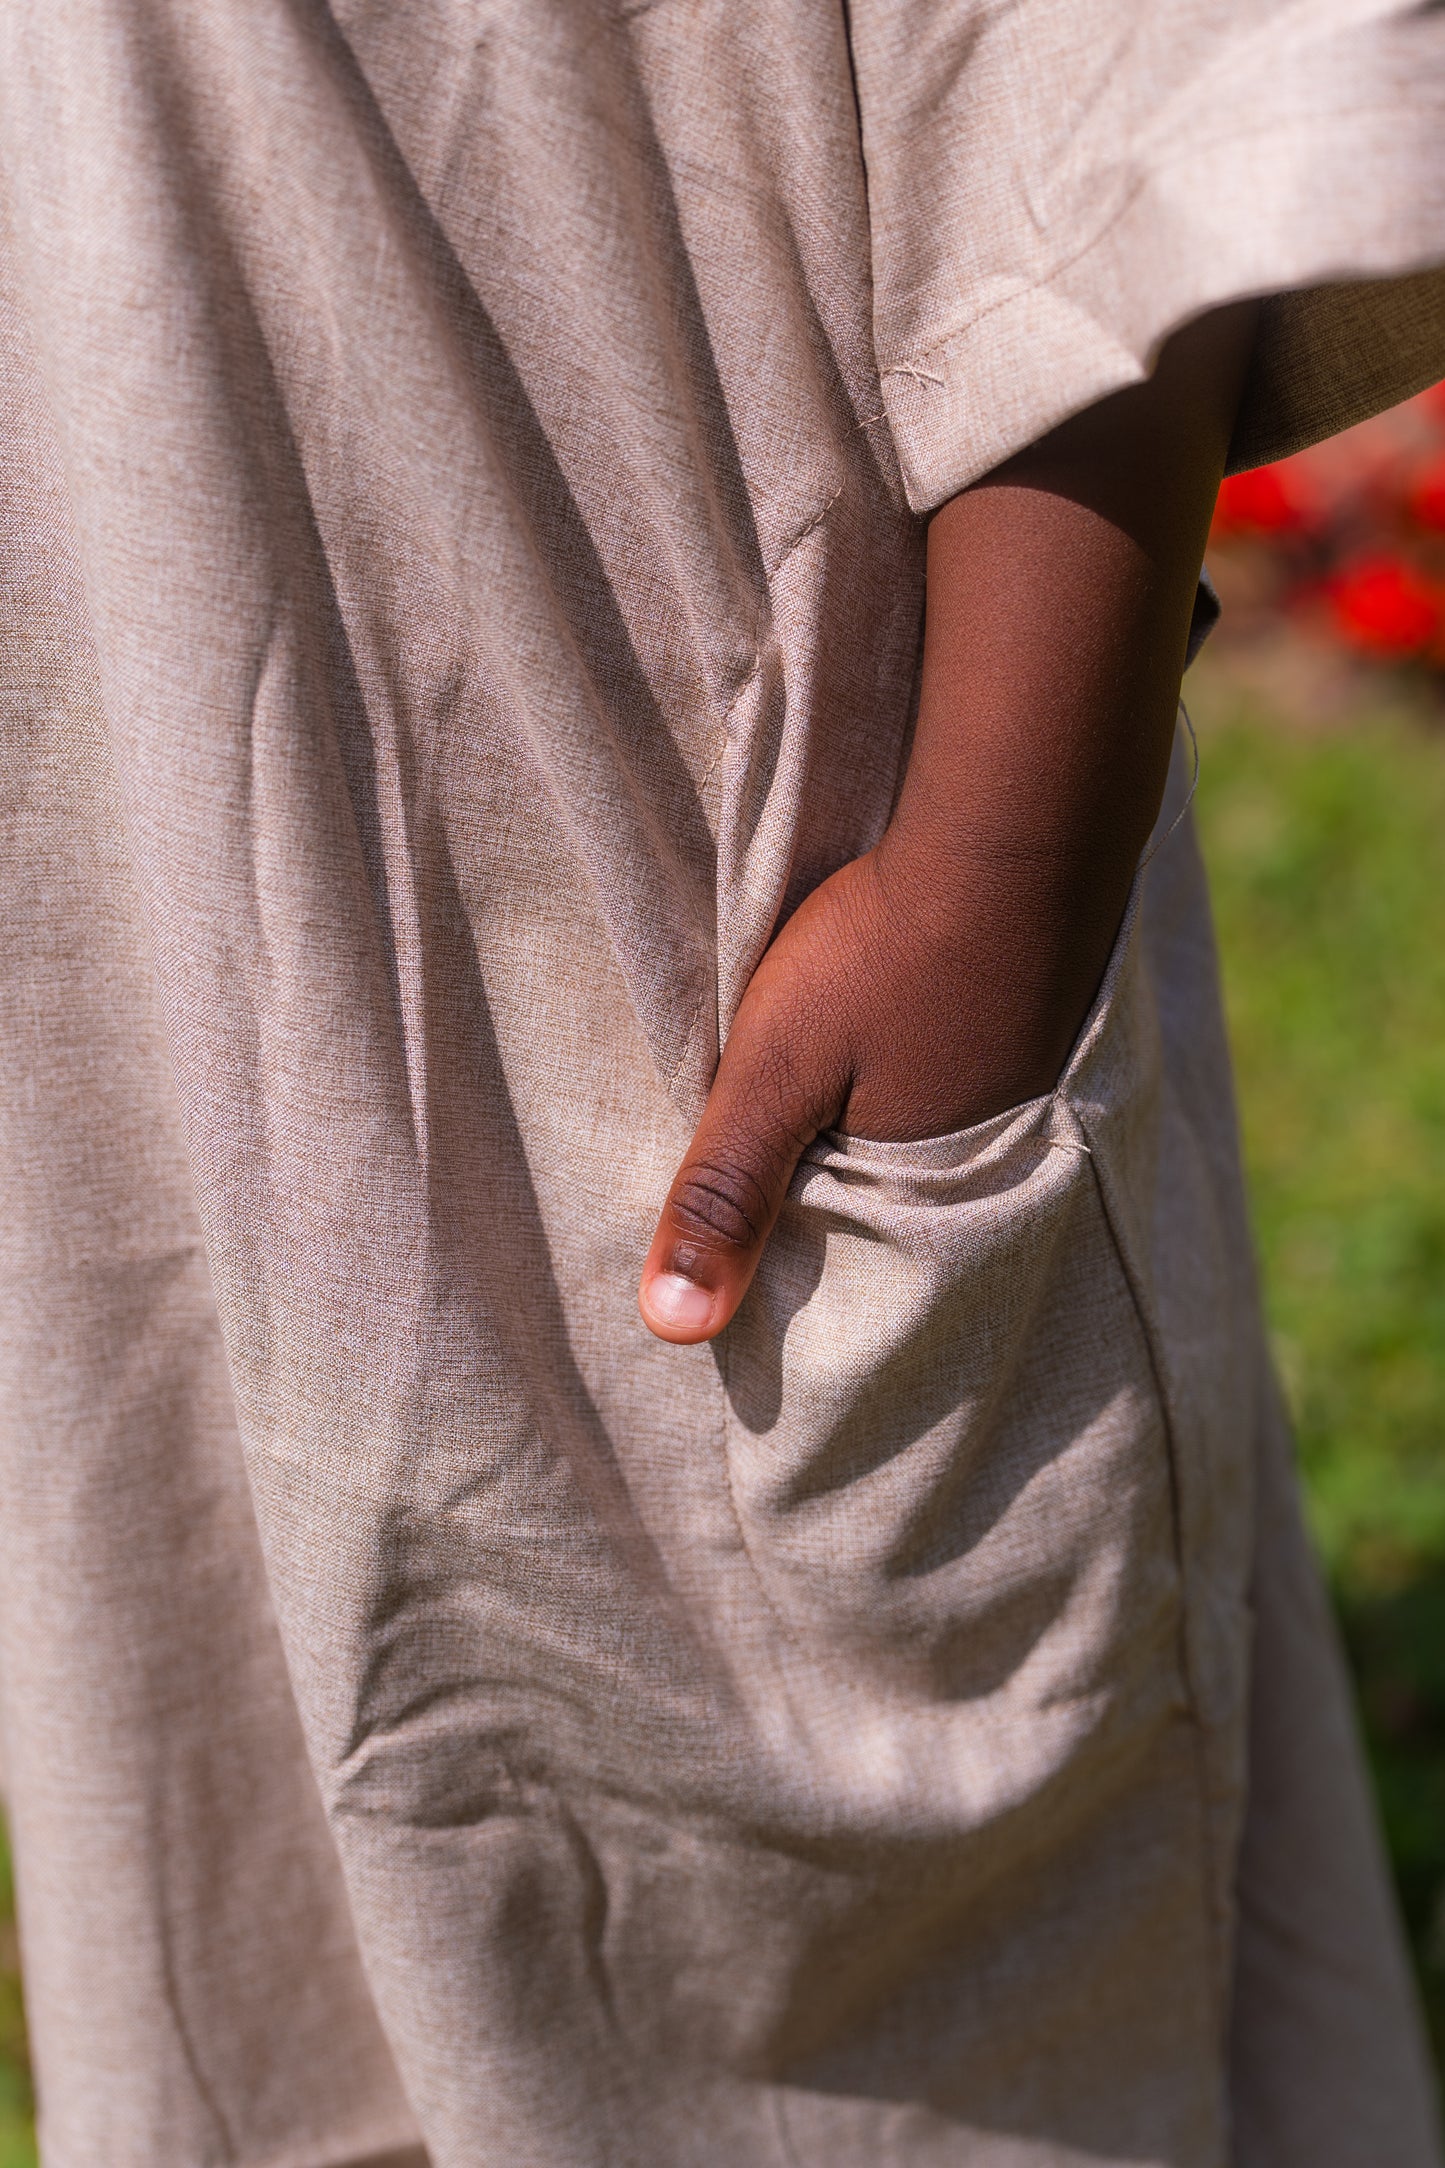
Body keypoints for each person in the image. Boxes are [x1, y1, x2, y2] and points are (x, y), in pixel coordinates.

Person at [1, 2, 1443, 2163]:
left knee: (812, 1983)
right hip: (134, 777)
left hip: (682, 851)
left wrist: (987, 879)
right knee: (260, 1823)